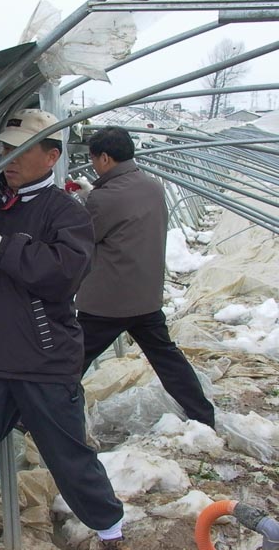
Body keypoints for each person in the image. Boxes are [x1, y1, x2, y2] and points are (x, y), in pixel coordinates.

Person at [0, 109, 127, 550]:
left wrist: (2, 247)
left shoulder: (66, 211)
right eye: (4, 149)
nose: (8, 159)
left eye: (21, 150)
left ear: (51, 156)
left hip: (42, 359)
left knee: (67, 454)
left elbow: (63, 274)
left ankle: (110, 529)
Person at [75, 126, 215, 428]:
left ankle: (32, 416)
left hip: (107, 302)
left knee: (70, 359)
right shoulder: (152, 186)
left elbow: (86, 234)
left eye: (94, 158)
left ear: (106, 158)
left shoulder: (104, 198)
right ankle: (203, 415)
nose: (93, 165)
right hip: (146, 296)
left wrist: (82, 202)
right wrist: (92, 197)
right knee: (167, 359)